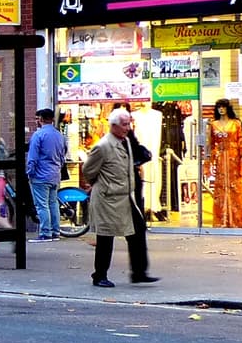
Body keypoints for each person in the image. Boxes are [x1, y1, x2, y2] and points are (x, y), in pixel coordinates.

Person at [82, 107, 158, 287]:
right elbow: (88, 170)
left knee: (137, 231)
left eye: (129, 124)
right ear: (114, 126)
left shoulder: (126, 142)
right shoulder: (103, 146)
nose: (128, 127)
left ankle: (139, 272)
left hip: (127, 197)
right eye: (124, 124)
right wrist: (103, 185)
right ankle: (99, 275)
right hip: (109, 199)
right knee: (105, 237)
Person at [207, 99, 242, 229]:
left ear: (227, 109)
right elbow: (210, 144)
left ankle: (238, 220)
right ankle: (222, 220)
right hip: (220, 159)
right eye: (219, 107)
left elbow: (241, 141)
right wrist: (209, 161)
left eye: (223, 107)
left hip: (233, 158)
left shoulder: (236, 124)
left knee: (236, 188)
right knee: (221, 188)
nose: (221, 109)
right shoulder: (213, 125)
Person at [26, 108, 67, 240]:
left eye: (37, 119)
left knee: (42, 205)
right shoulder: (59, 135)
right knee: (53, 203)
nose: (36, 121)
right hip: (55, 174)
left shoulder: (38, 135)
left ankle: (45, 233)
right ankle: (56, 231)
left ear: (42, 119)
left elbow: (33, 157)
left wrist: (30, 173)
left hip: (40, 175)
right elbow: (63, 155)